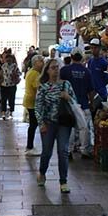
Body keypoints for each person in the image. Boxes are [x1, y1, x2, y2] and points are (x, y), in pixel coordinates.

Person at [35, 58, 77, 194]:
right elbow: (38, 107)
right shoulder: (43, 87)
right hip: (48, 123)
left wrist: (68, 97)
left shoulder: (66, 85)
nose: (56, 70)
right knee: (47, 152)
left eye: (57, 67)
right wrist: (41, 124)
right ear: (47, 70)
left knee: (63, 151)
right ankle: (42, 172)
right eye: (53, 67)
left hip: (64, 123)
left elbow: (75, 103)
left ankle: (63, 181)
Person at [60, 50, 94, 159]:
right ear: (82, 58)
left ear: (71, 56)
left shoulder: (64, 70)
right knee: (84, 128)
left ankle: (68, 150)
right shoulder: (87, 71)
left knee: (70, 128)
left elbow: (59, 85)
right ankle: (84, 150)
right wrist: (91, 102)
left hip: (68, 104)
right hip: (83, 104)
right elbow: (91, 91)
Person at [23, 55, 44, 156]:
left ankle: (30, 146)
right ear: (35, 63)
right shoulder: (35, 74)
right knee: (33, 125)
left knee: (33, 124)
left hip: (30, 101)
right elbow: (38, 88)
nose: (43, 63)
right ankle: (29, 147)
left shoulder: (31, 71)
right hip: (33, 102)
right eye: (41, 61)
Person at [86, 38, 108, 104]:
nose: (93, 50)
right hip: (92, 94)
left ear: (99, 48)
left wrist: (99, 86)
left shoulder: (104, 63)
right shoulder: (90, 61)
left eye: (95, 48)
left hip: (101, 94)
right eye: (92, 48)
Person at [0, 52, 22, 120]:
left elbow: (19, 73)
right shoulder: (3, 66)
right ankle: (3, 113)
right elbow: (0, 74)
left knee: (11, 99)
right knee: (3, 99)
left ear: (12, 59)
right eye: (7, 59)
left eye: (10, 59)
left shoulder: (15, 66)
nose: (8, 60)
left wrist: (15, 74)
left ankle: (11, 112)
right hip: (3, 85)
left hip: (12, 85)